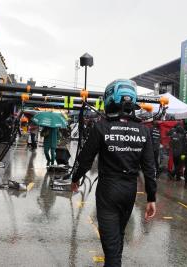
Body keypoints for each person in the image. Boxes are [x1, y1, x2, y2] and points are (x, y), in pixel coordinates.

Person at [70, 79, 157, 267]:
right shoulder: (143, 130)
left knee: (111, 252)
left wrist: (75, 178)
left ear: (111, 99)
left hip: (108, 191)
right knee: (117, 238)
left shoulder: (101, 127)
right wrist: (151, 198)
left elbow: (84, 159)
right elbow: (150, 168)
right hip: (129, 191)